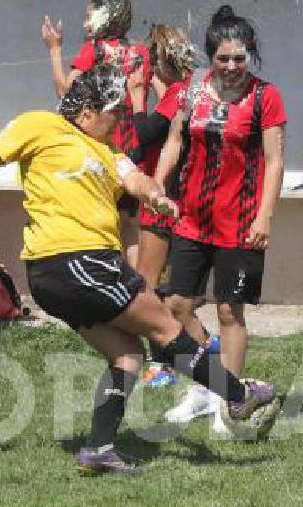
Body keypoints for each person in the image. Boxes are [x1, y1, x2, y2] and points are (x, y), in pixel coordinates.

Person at [0, 65, 282, 475]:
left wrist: (157, 197)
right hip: (75, 260)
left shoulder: (109, 155)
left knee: (128, 355)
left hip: (67, 275)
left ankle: (99, 449)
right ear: (89, 111)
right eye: (114, 115)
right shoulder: (40, 125)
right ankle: (238, 396)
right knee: (165, 327)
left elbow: (138, 181)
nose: (118, 125)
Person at [154, 6, 286, 425]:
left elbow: (275, 160)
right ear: (210, 56)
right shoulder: (191, 91)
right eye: (223, 58)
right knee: (176, 305)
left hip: (241, 221)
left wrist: (265, 216)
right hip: (192, 217)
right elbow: (174, 141)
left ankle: (231, 399)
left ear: (250, 56)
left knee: (230, 311)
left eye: (239, 59)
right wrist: (157, 186)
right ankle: (204, 386)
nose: (231, 67)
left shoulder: (266, 97)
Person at [126, 25, 218, 387]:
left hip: (165, 197)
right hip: (188, 197)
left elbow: (146, 136)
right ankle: (205, 343)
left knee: (147, 285)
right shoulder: (191, 89)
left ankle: (162, 361)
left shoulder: (177, 93)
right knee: (179, 289)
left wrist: (136, 97)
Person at [41, 0, 154, 266]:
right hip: (133, 145)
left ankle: (105, 281)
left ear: (106, 17)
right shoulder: (140, 52)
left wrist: (54, 49)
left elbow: (66, 93)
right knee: (129, 223)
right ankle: (133, 285)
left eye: (88, 16)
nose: (84, 24)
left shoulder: (93, 50)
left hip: (101, 147)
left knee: (101, 218)